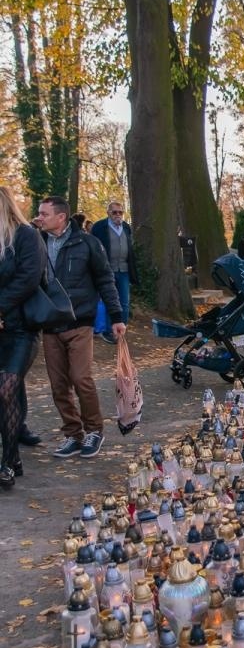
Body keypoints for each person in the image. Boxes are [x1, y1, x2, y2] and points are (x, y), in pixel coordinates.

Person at [38, 196, 125, 458]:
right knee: (58, 384)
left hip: (80, 323)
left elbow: (105, 279)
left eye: (44, 214)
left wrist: (116, 316)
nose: (38, 217)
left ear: (60, 217)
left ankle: (94, 430)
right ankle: (72, 434)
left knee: (81, 378)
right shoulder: (37, 242)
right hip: (50, 324)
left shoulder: (87, 242)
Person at [0, 188, 46, 488]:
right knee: (7, 394)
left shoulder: (26, 236)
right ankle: (13, 457)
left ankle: (6, 461)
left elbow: (30, 277)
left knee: (7, 388)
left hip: (21, 329)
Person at [91, 200, 139, 338]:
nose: (118, 215)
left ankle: (121, 329)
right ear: (108, 213)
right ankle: (107, 330)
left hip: (123, 270)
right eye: (115, 212)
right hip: (107, 270)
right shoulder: (99, 227)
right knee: (108, 300)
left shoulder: (126, 227)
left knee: (124, 301)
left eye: (120, 212)